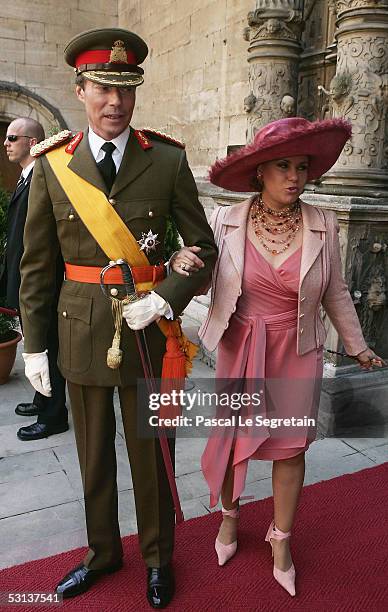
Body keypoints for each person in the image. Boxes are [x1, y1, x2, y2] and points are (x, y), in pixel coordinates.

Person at [19, 28, 217, 608]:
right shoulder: (54, 166)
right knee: (93, 454)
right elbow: (37, 265)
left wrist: (169, 296)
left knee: (152, 452)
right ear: (80, 90)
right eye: (103, 88)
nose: (116, 102)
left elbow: (202, 247)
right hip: (80, 328)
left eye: (126, 89)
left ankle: (158, 559)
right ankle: (102, 553)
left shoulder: (168, 160)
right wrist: (34, 346)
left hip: (149, 333)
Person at [171, 117, 384, 597]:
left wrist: (359, 346)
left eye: (302, 167)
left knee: (290, 451)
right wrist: (181, 264)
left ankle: (281, 540)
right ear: (259, 172)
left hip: (296, 348)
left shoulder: (322, 224)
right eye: (283, 166)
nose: (294, 176)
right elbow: (205, 279)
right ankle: (229, 521)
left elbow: (337, 293)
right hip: (240, 345)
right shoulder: (227, 220)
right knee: (230, 442)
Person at [1, 117, 68, 440]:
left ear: (31, 142)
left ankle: (55, 414)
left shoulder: (44, 178)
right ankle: (42, 399)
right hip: (27, 280)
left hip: (44, 284)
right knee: (36, 342)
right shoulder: (26, 177)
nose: (6, 143)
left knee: (49, 345)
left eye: (12, 138)